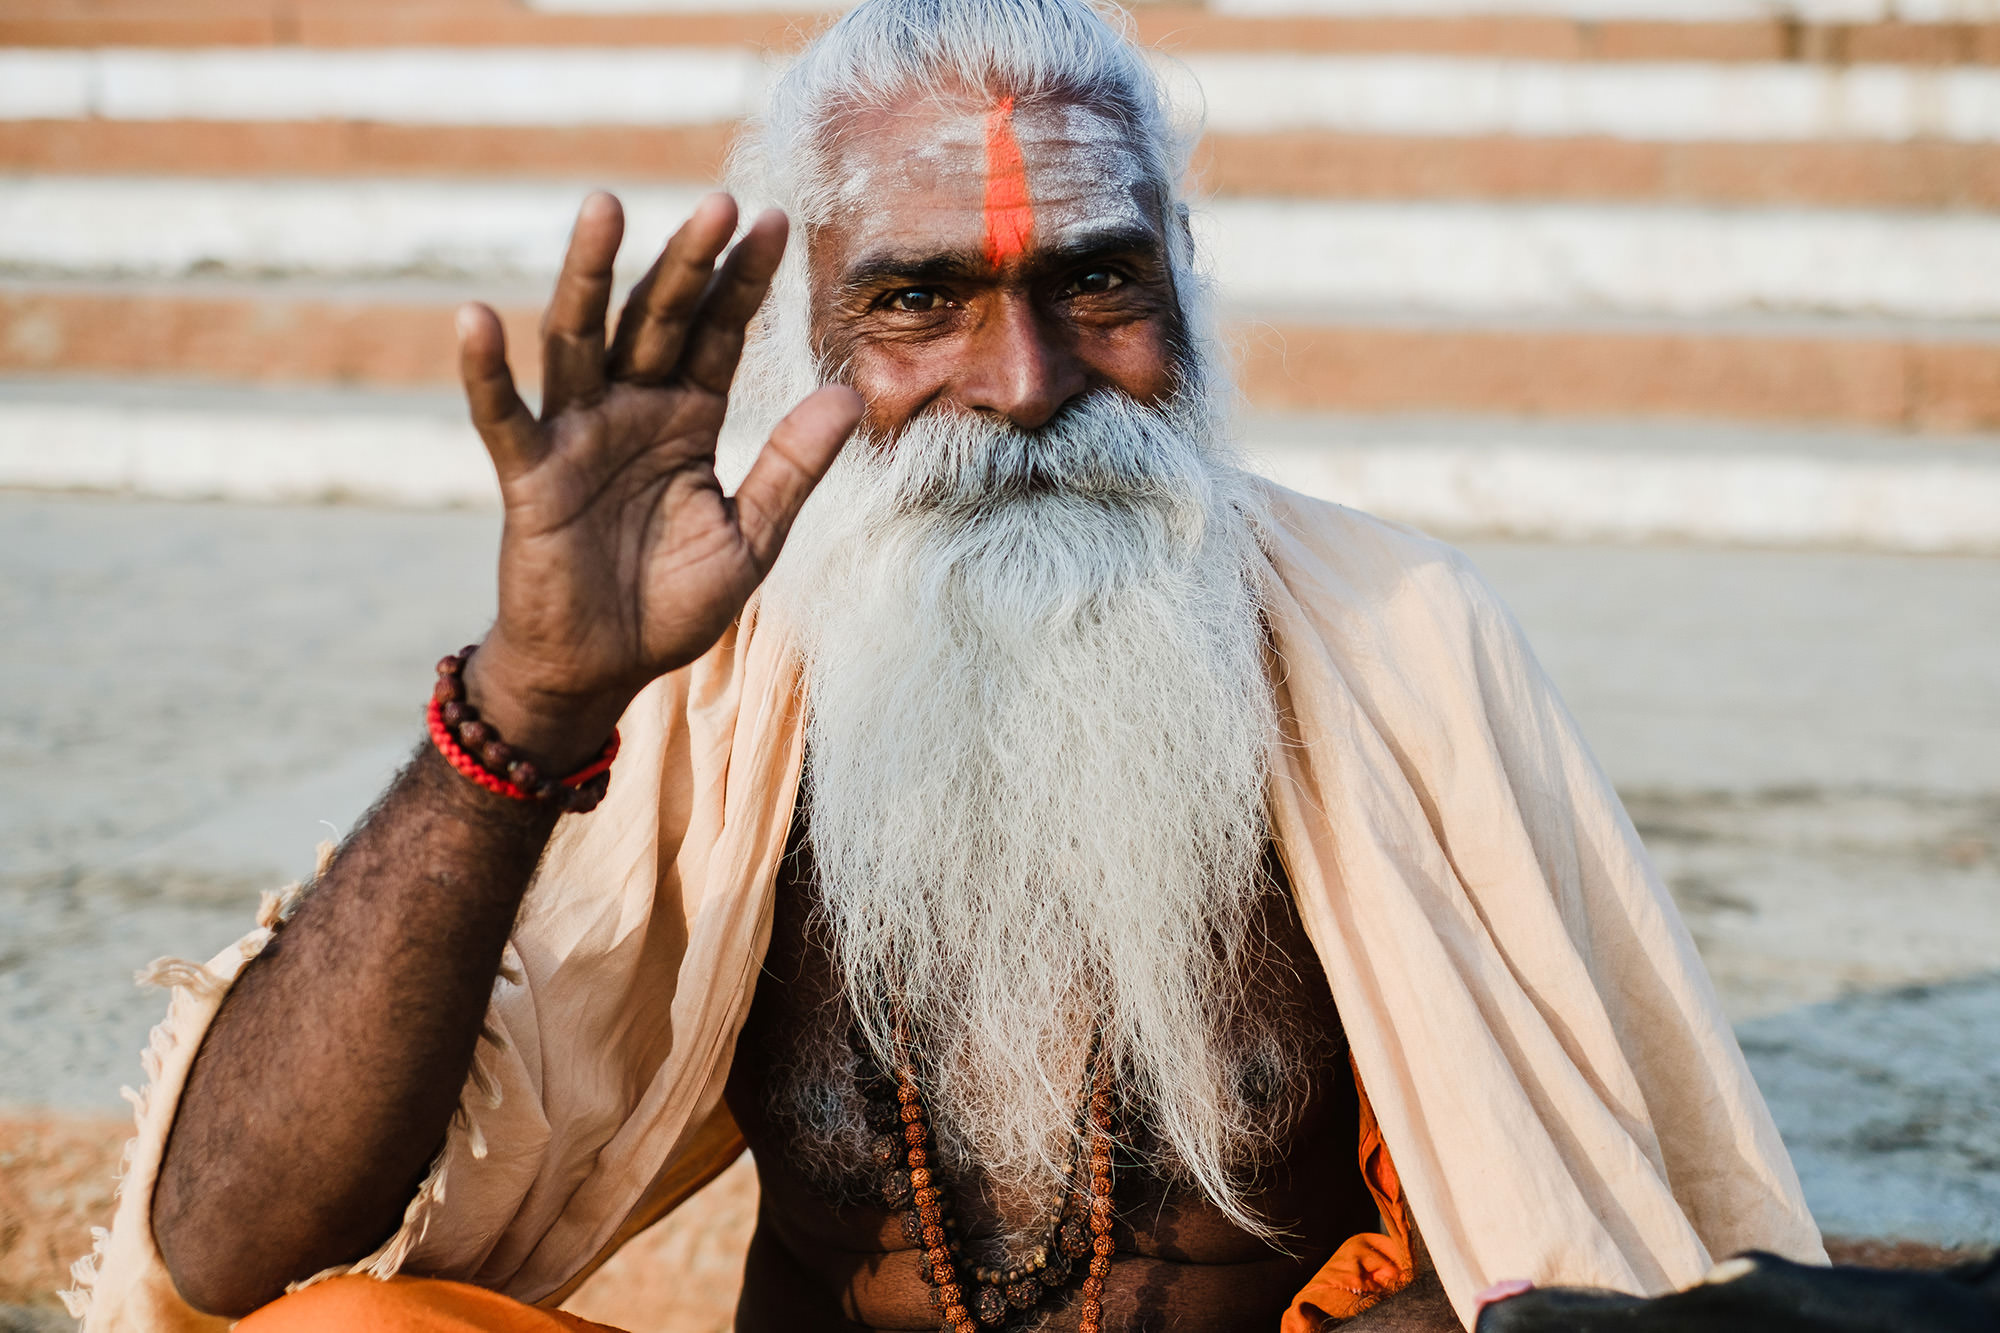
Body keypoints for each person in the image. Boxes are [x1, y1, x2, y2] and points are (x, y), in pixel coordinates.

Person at [68, 1, 1825, 1330]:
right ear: (803, 338)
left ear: (1187, 288)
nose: (1028, 381)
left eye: (1099, 281)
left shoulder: (1394, 638)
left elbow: (1611, 1200)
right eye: (920, 300)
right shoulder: (718, 687)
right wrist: (530, 706)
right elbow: (227, 1244)